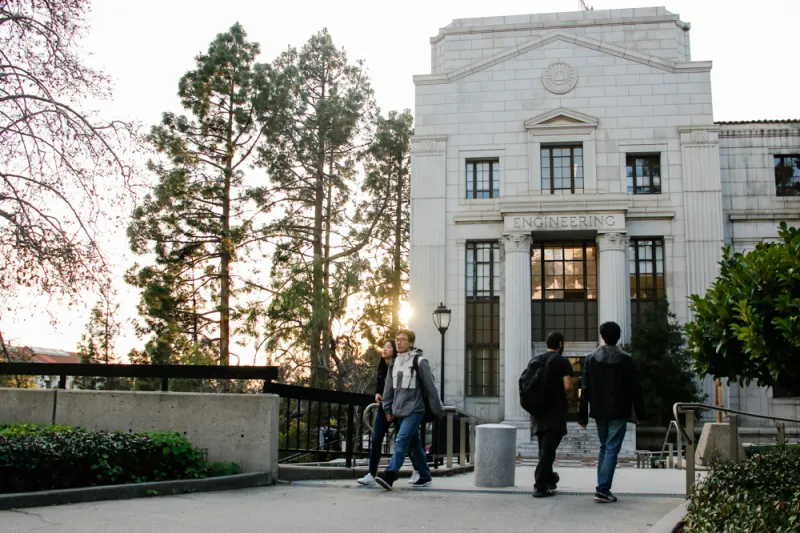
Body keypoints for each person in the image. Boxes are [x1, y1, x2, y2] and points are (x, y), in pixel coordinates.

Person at [578, 321, 646, 503]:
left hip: (599, 410)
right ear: (618, 336)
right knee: (611, 449)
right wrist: (640, 413)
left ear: (602, 336)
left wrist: (582, 415)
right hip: (619, 410)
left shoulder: (591, 357)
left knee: (604, 447)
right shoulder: (625, 359)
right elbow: (635, 388)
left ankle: (602, 487)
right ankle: (603, 489)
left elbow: (585, 388)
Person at [375, 329, 444, 490]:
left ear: (411, 343)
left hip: (415, 409)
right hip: (399, 410)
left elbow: (431, 389)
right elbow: (388, 389)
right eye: (397, 339)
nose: (398, 342)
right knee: (414, 444)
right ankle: (425, 475)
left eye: (403, 340)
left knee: (401, 440)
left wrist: (438, 410)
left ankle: (390, 474)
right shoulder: (394, 363)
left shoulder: (420, 362)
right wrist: (387, 409)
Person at [357, 340, 420, 486]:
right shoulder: (382, 369)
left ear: (395, 351)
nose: (384, 349)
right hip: (384, 408)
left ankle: (417, 470)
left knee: (404, 441)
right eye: (383, 347)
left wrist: (391, 409)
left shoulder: (400, 366)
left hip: (398, 409)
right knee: (377, 438)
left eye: (388, 347)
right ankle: (371, 473)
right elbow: (380, 389)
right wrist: (377, 394)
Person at [531, 332, 573, 498]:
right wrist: (565, 398)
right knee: (548, 451)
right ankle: (540, 484)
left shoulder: (536, 360)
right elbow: (568, 386)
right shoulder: (562, 362)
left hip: (538, 412)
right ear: (561, 344)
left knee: (544, 449)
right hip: (554, 412)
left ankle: (549, 478)